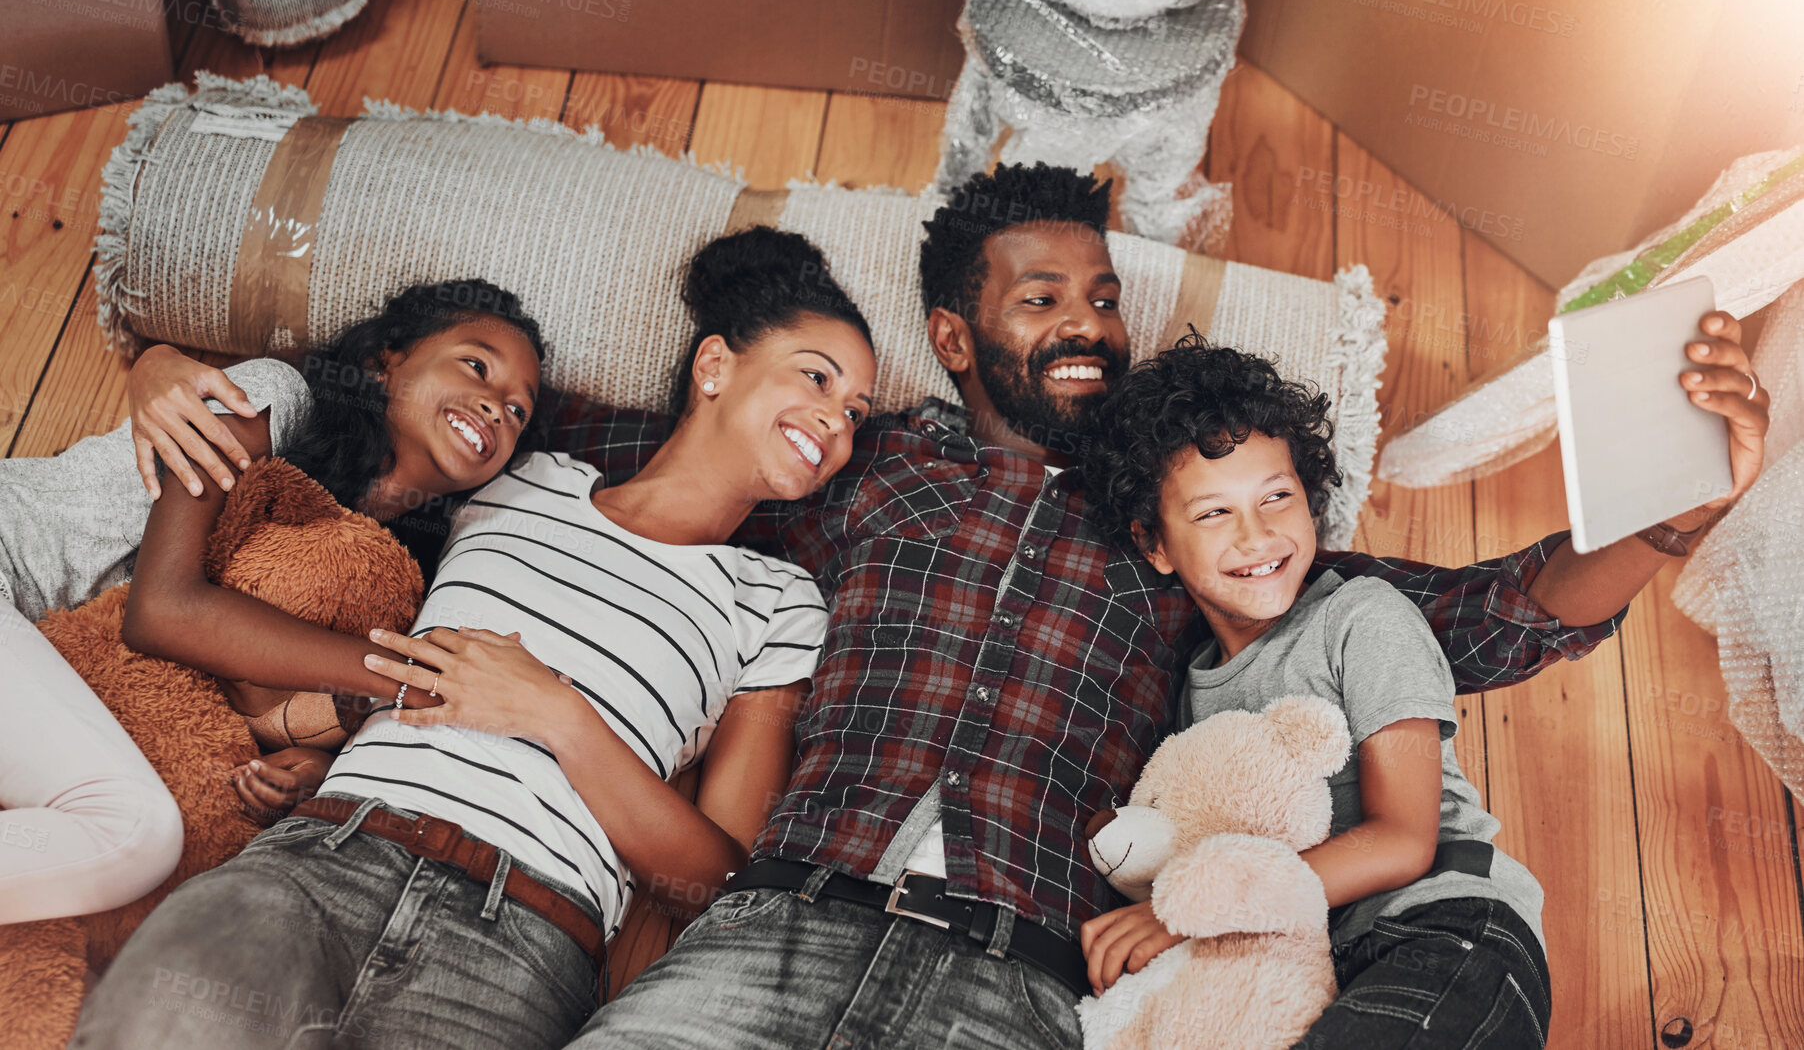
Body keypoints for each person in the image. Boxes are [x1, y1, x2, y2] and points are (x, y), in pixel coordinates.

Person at [95, 164, 1770, 1049]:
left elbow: (1468, 615)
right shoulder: (837, 459)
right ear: (956, 340)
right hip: (751, 945)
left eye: (1102, 292)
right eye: (1038, 293)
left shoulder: (1175, 520)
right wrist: (194, 373)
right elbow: (464, 425)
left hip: (1012, 983)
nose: (1085, 318)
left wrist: (1666, 505)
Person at [71, 227, 879, 1050]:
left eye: (855, 412)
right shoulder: (516, 475)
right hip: (322, 859)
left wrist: (557, 715)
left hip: (522, 942)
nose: (836, 423)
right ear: (713, 366)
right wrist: (159, 364)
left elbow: (721, 883)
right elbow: (368, 415)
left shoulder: (779, 603)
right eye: (817, 377)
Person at [0, 278, 545, 925]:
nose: (494, 406)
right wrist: (418, 678)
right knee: (133, 830)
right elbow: (162, 613)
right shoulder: (275, 402)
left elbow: (251, 692)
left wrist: (311, 766)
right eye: (477, 366)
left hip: (36, 667)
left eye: (517, 411)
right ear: (385, 359)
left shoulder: (399, 579)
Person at [1082, 332, 1551, 1046]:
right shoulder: (1189, 698)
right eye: (1214, 513)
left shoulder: (1361, 616)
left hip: (1444, 929)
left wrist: (1186, 912)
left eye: (1277, 496)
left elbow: (1403, 841)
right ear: (1154, 543)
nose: (1258, 534)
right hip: (1317, 967)